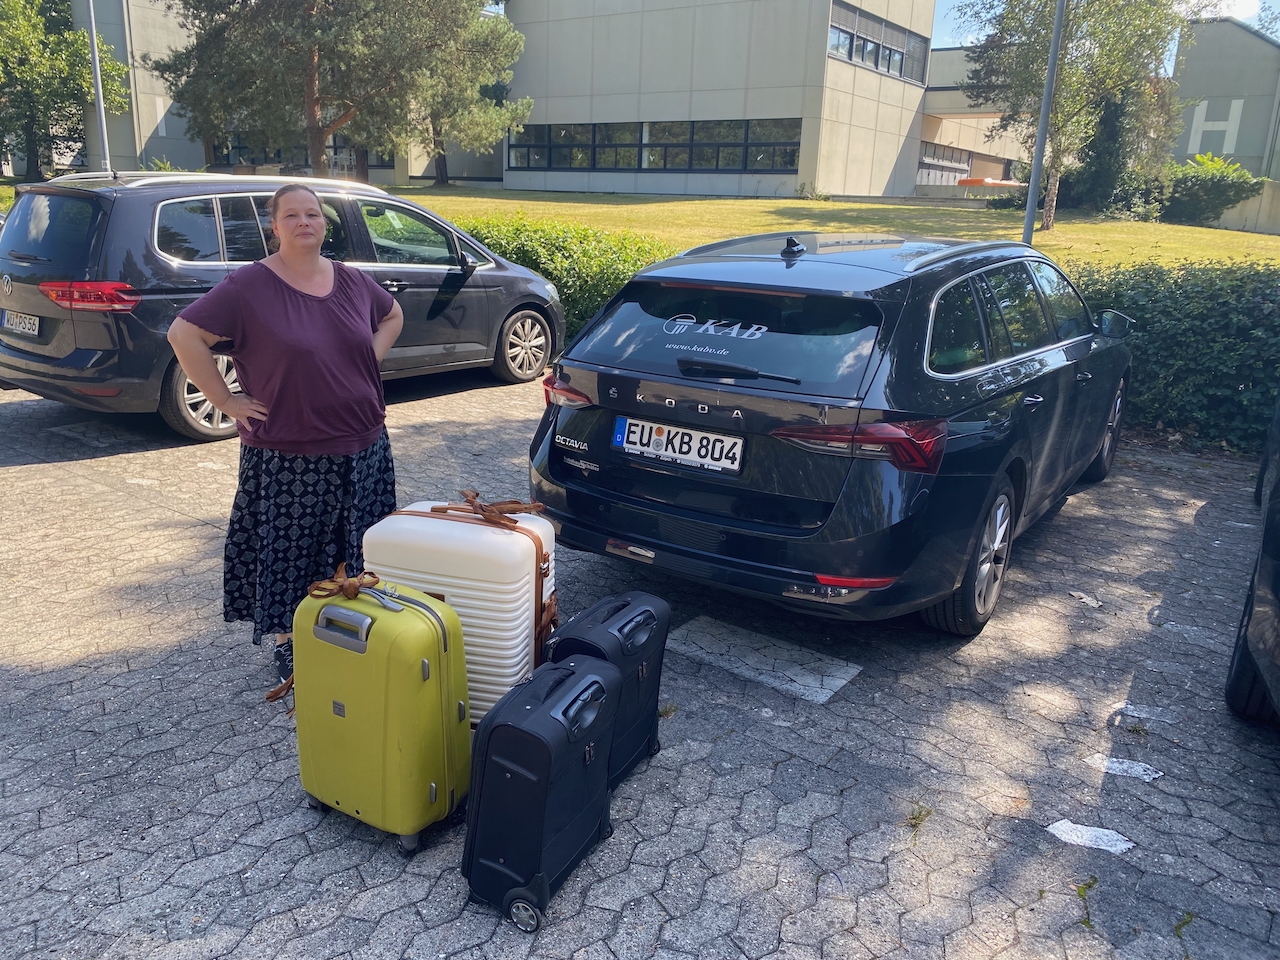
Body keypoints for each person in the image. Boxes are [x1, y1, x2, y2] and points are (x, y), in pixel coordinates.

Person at [168, 183, 405, 685]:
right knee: (292, 550)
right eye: (292, 215)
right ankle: (290, 643)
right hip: (289, 449)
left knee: (360, 543)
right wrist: (226, 400)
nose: (305, 223)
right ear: (274, 227)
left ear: (324, 224)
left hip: (364, 441)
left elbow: (392, 316)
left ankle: (351, 626)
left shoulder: (352, 280)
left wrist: (368, 360)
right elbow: (183, 334)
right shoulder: (249, 287)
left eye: (313, 214)